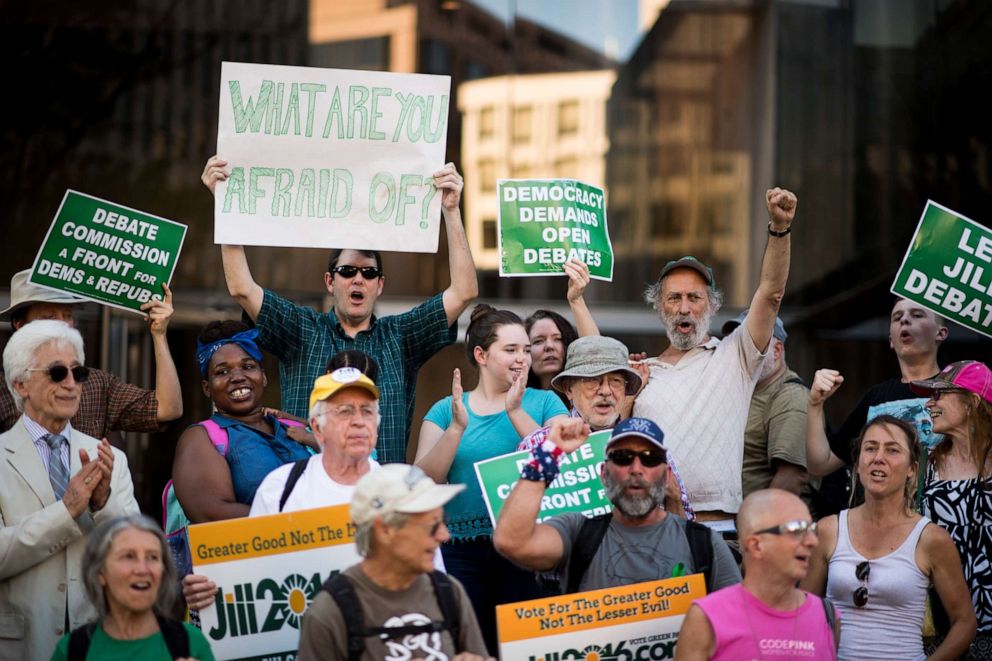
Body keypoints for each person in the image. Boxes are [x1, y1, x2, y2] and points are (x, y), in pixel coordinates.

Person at [202, 156, 478, 464]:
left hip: (378, 497)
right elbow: (242, 288)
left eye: (369, 273)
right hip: (309, 495)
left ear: (380, 285)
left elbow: (464, 292)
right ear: (330, 281)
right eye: (347, 271)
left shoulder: (400, 336)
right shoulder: (301, 328)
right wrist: (224, 206)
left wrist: (451, 211)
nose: (358, 278)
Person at [631, 187, 798, 520]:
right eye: (673, 298)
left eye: (694, 298)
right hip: (648, 522)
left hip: (715, 525)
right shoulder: (641, 372)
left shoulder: (735, 355)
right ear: (658, 306)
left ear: (713, 305)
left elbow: (770, 294)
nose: (684, 308)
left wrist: (779, 229)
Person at [415, 304, 568, 654]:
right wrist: (456, 428)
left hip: (527, 545)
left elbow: (562, 460)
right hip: (460, 551)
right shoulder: (445, 409)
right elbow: (424, 482)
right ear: (481, 355)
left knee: (525, 649)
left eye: (526, 350)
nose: (522, 359)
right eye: (511, 350)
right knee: (468, 647)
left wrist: (515, 412)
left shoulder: (545, 402)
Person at [0, 320, 139, 661]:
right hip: (20, 645)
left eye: (78, 373)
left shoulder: (110, 459)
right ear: (20, 384)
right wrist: (67, 511)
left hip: (96, 642)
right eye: (57, 372)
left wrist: (104, 504)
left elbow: (135, 554)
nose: (71, 384)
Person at [494, 417, 740, 596]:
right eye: (622, 458)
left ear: (667, 475)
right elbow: (512, 541)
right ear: (604, 474)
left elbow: (737, 631)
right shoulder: (578, 532)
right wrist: (550, 452)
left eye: (649, 458)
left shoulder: (705, 543)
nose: (636, 469)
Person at [801, 415, 976, 660]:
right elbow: (803, 612)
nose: (878, 458)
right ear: (858, 463)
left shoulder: (931, 539)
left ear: (912, 469)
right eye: (870, 448)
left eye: (892, 450)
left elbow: (965, 622)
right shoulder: (828, 530)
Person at [298, 464, 491, 661]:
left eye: (444, 521)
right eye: (432, 526)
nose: (444, 535)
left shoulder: (448, 592)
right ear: (385, 530)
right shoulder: (330, 612)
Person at [518, 334, 693, 518]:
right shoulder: (538, 445)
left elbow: (684, 531)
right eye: (593, 380)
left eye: (615, 381)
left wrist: (673, 498)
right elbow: (517, 521)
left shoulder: (650, 447)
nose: (605, 391)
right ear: (569, 389)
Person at [0, 269, 182, 438]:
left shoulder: (96, 384)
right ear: (20, 324)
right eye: (49, 317)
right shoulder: (2, 391)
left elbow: (167, 409)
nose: (62, 325)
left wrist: (159, 335)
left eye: (68, 315)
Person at [171, 320, 311, 523]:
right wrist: (299, 519)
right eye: (222, 372)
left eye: (248, 366)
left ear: (262, 377)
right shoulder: (202, 438)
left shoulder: (296, 428)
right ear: (207, 387)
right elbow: (210, 514)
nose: (238, 377)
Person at [676, 489, 839, 661]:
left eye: (811, 529)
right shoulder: (705, 619)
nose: (812, 541)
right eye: (796, 529)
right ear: (756, 545)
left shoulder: (826, 615)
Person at [805, 298, 948, 477]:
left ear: (940, 333)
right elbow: (820, 465)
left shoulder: (960, 392)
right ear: (890, 339)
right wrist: (814, 404)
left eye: (917, 315)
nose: (904, 319)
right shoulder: (876, 398)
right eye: (897, 318)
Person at [910, 360, 992, 658]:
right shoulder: (924, 466)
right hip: (938, 619)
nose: (929, 403)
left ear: (972, 402)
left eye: (940, 394)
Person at [50, 514, 215, 661]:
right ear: (100, 573)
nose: (143, 569)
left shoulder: (190, 642)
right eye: (128, 557)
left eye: (153, 557)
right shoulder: (73, 650)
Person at [721, 311, 813, 504]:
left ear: (777, 351)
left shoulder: (790, 396)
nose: (740, 350)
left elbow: (791, 477)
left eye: (751, 343)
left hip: (763, 527)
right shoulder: (742, 389)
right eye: (737, 342)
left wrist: (757, 526)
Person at [525, 258, 599, 402]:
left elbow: (594, 352)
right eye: (538, 341)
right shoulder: (515, 403)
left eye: (557, 339)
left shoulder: (582, 400)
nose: (549, 347)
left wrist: (576, 299)